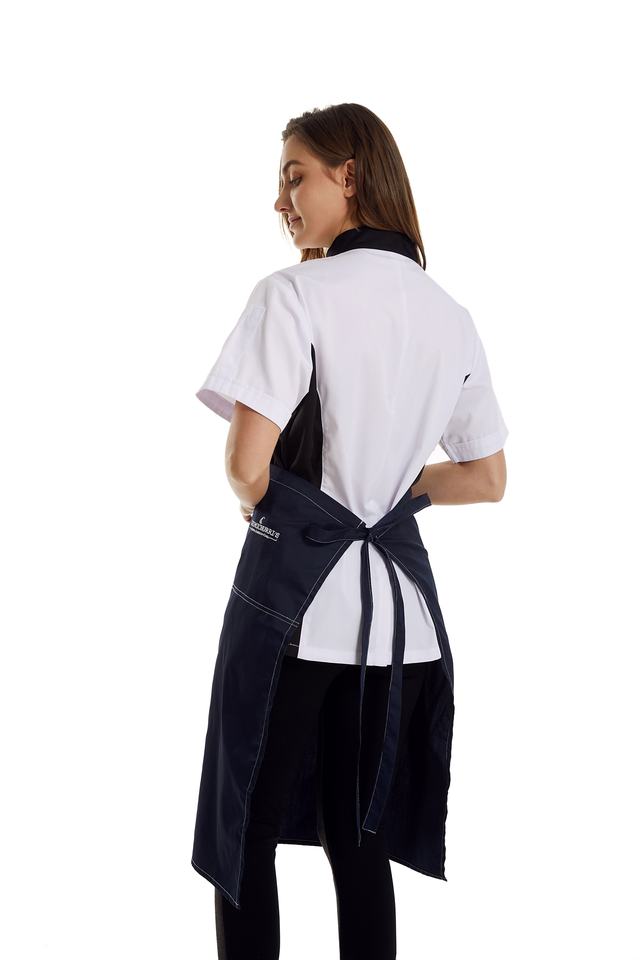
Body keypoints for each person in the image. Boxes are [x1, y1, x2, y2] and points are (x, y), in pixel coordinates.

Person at [193, 102, 509, 960]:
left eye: (295, 177)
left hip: (298, 609)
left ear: (351, 175)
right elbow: (486, 478)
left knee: (243, 832)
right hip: (401, 622)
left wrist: (293, 511)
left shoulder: (293, 294)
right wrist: (386, 494)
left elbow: (245, 467)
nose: (281, 202)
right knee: (358, 841)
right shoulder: (450, 314)